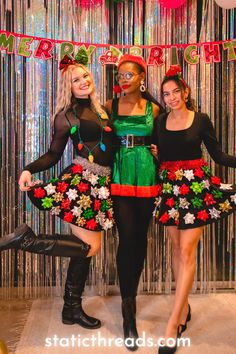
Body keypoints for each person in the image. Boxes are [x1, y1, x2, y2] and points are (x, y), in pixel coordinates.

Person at [0, 54, 114, 329]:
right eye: (76, 80)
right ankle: (27, 241)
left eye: (85, 76)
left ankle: (70, 310)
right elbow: (53, 154)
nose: (83, 81)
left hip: (102, 185)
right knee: (90, 247)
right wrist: (29, 169)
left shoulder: (103, 109)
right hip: (83, 184)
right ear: (69, 87)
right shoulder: (66, 116)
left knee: (84, 250)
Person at [152, 65, 236, 354]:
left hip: (195, 190)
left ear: (185, 91)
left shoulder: (201, 119)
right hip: (169, 189)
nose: (172, 97)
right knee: (176, 251)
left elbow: (219, 155)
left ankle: (172, 324)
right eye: (166, 94)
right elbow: (161, 155)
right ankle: (184, 308)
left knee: (187, 252)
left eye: (176, 91)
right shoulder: (159, 122)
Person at [105, 54, 163, 351]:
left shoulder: (155, 108)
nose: (123, 80)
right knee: (126, 238)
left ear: (142, 78)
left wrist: (159, 150)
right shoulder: (109, 106)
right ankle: (128, 310)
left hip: (147, 176)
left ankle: (131, 298)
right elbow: (93, 132)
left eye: (129, 75)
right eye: (120, 76)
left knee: (140, 239)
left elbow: (170, 139)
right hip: (121, 175)